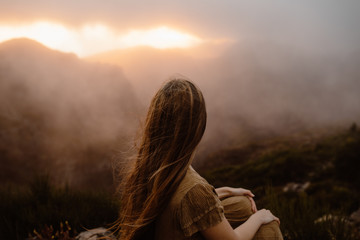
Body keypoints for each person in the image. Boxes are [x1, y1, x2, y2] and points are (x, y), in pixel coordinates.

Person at [114, 78, 283, 240]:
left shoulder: (156, 165)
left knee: (242, 204)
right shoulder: (194, 188)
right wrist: (260, 217)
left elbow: (184, 201)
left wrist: (228, 191)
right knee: (268, 228)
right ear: (197, 126)